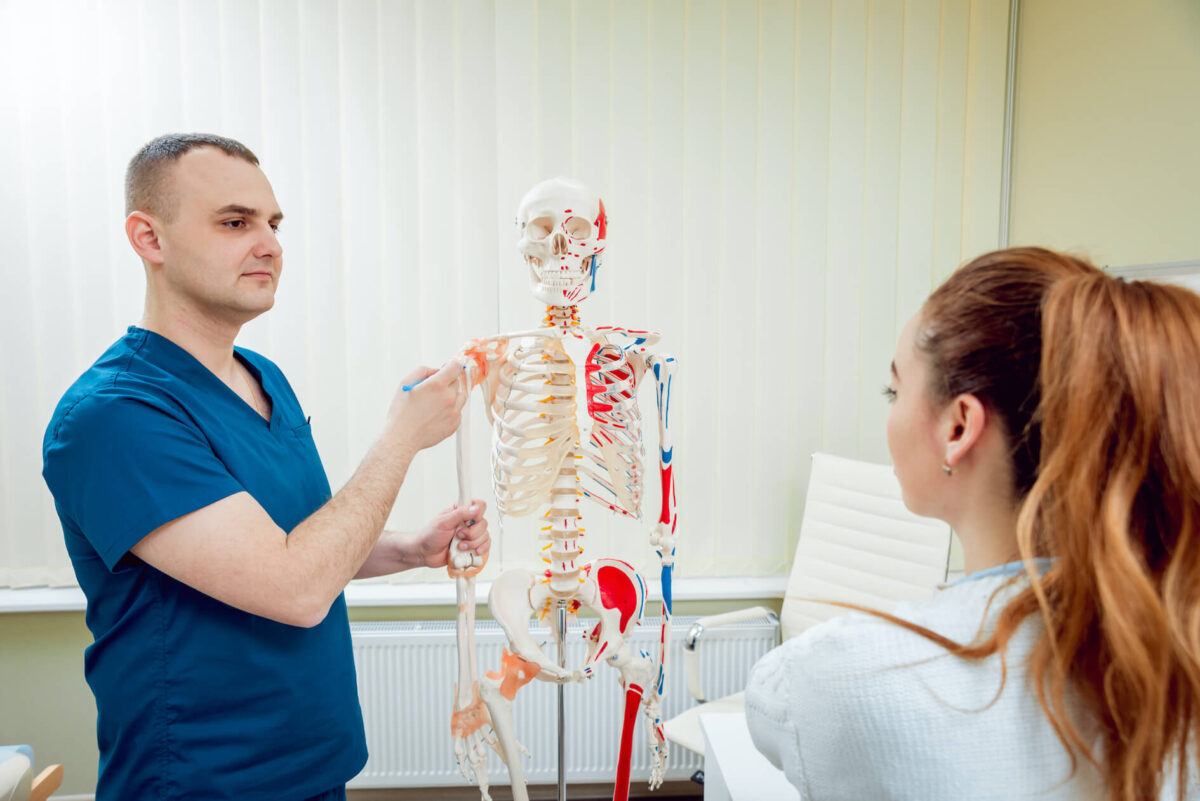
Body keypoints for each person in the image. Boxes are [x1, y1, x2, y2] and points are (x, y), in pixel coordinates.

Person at [41, 133, 491, 801]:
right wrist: (401, 439)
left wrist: (407, 550)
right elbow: (295, 585)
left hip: (314, 765)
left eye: (274, 223)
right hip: (205, 779)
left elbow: (285, 539)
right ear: (149, 238)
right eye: (234, 222)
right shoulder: (115, 416)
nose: (270, 243)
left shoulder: (264, 379)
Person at [746, 247, 1200, 800]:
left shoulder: (841, 678)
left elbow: (775, 705)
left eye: (895, 390)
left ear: (959, 427)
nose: (890, 413)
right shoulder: (1179, 653)